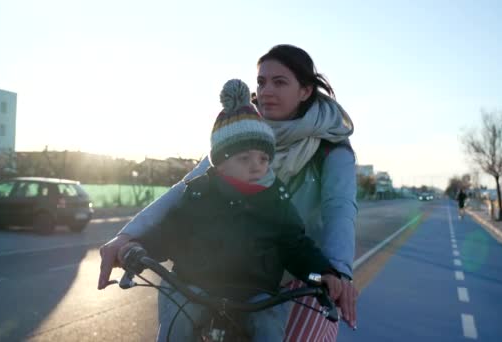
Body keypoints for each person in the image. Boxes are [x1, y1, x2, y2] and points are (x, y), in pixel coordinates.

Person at [99, 44, 359, 340]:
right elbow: (182, 194)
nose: (266, 91)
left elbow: (339, 209)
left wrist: (336, 273)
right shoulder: (239, 130)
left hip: (301, 270)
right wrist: (129, 238)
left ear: (305, 90)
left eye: (280, 82)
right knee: (178, 323)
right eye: (261, 82)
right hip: (218, 278)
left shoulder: (330, 147)